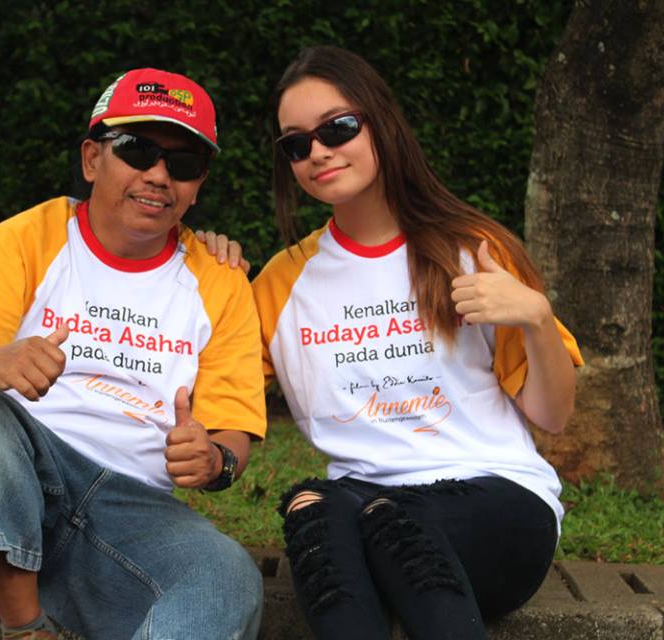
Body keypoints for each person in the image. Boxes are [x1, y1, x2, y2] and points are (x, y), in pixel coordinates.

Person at [0, 68, 266, 640]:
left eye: (183, 163)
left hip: (137, 513)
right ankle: (27, 628)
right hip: (22, 476)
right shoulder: (29, 239)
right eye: (136, 150)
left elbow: (231, 432)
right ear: (92, 159)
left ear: (198, 186)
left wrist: (215, 461)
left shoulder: (220, 279)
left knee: (227, 578)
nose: (158, 174)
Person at [246, 45, 584, 639]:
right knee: (313, 510)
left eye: (337, 128)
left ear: (380, 122)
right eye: (296, 144)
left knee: (386, 520)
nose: (318, 152)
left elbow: (552, 415)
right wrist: (202, 262)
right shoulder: (280, 283)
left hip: (498, 504)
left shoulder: (470, 250)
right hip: (366, 508)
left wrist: (536, 317)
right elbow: (218, 387)